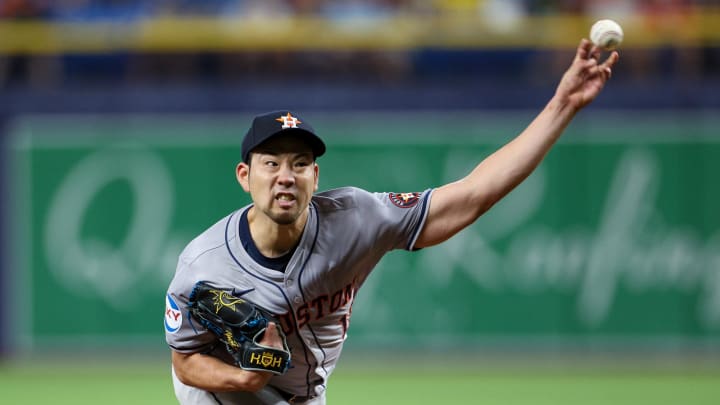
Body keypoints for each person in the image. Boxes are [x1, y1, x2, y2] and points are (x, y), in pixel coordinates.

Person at [164, 38, 619, 405]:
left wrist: (562, 105)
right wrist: (242, 379)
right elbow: (185, 362)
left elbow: (473, 195)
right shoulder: (205, 265)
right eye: (271, 164)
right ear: (245, 176)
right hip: (223, 393)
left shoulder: (357, 218)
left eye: (299, 164)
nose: (286, 177)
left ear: (315, 176)